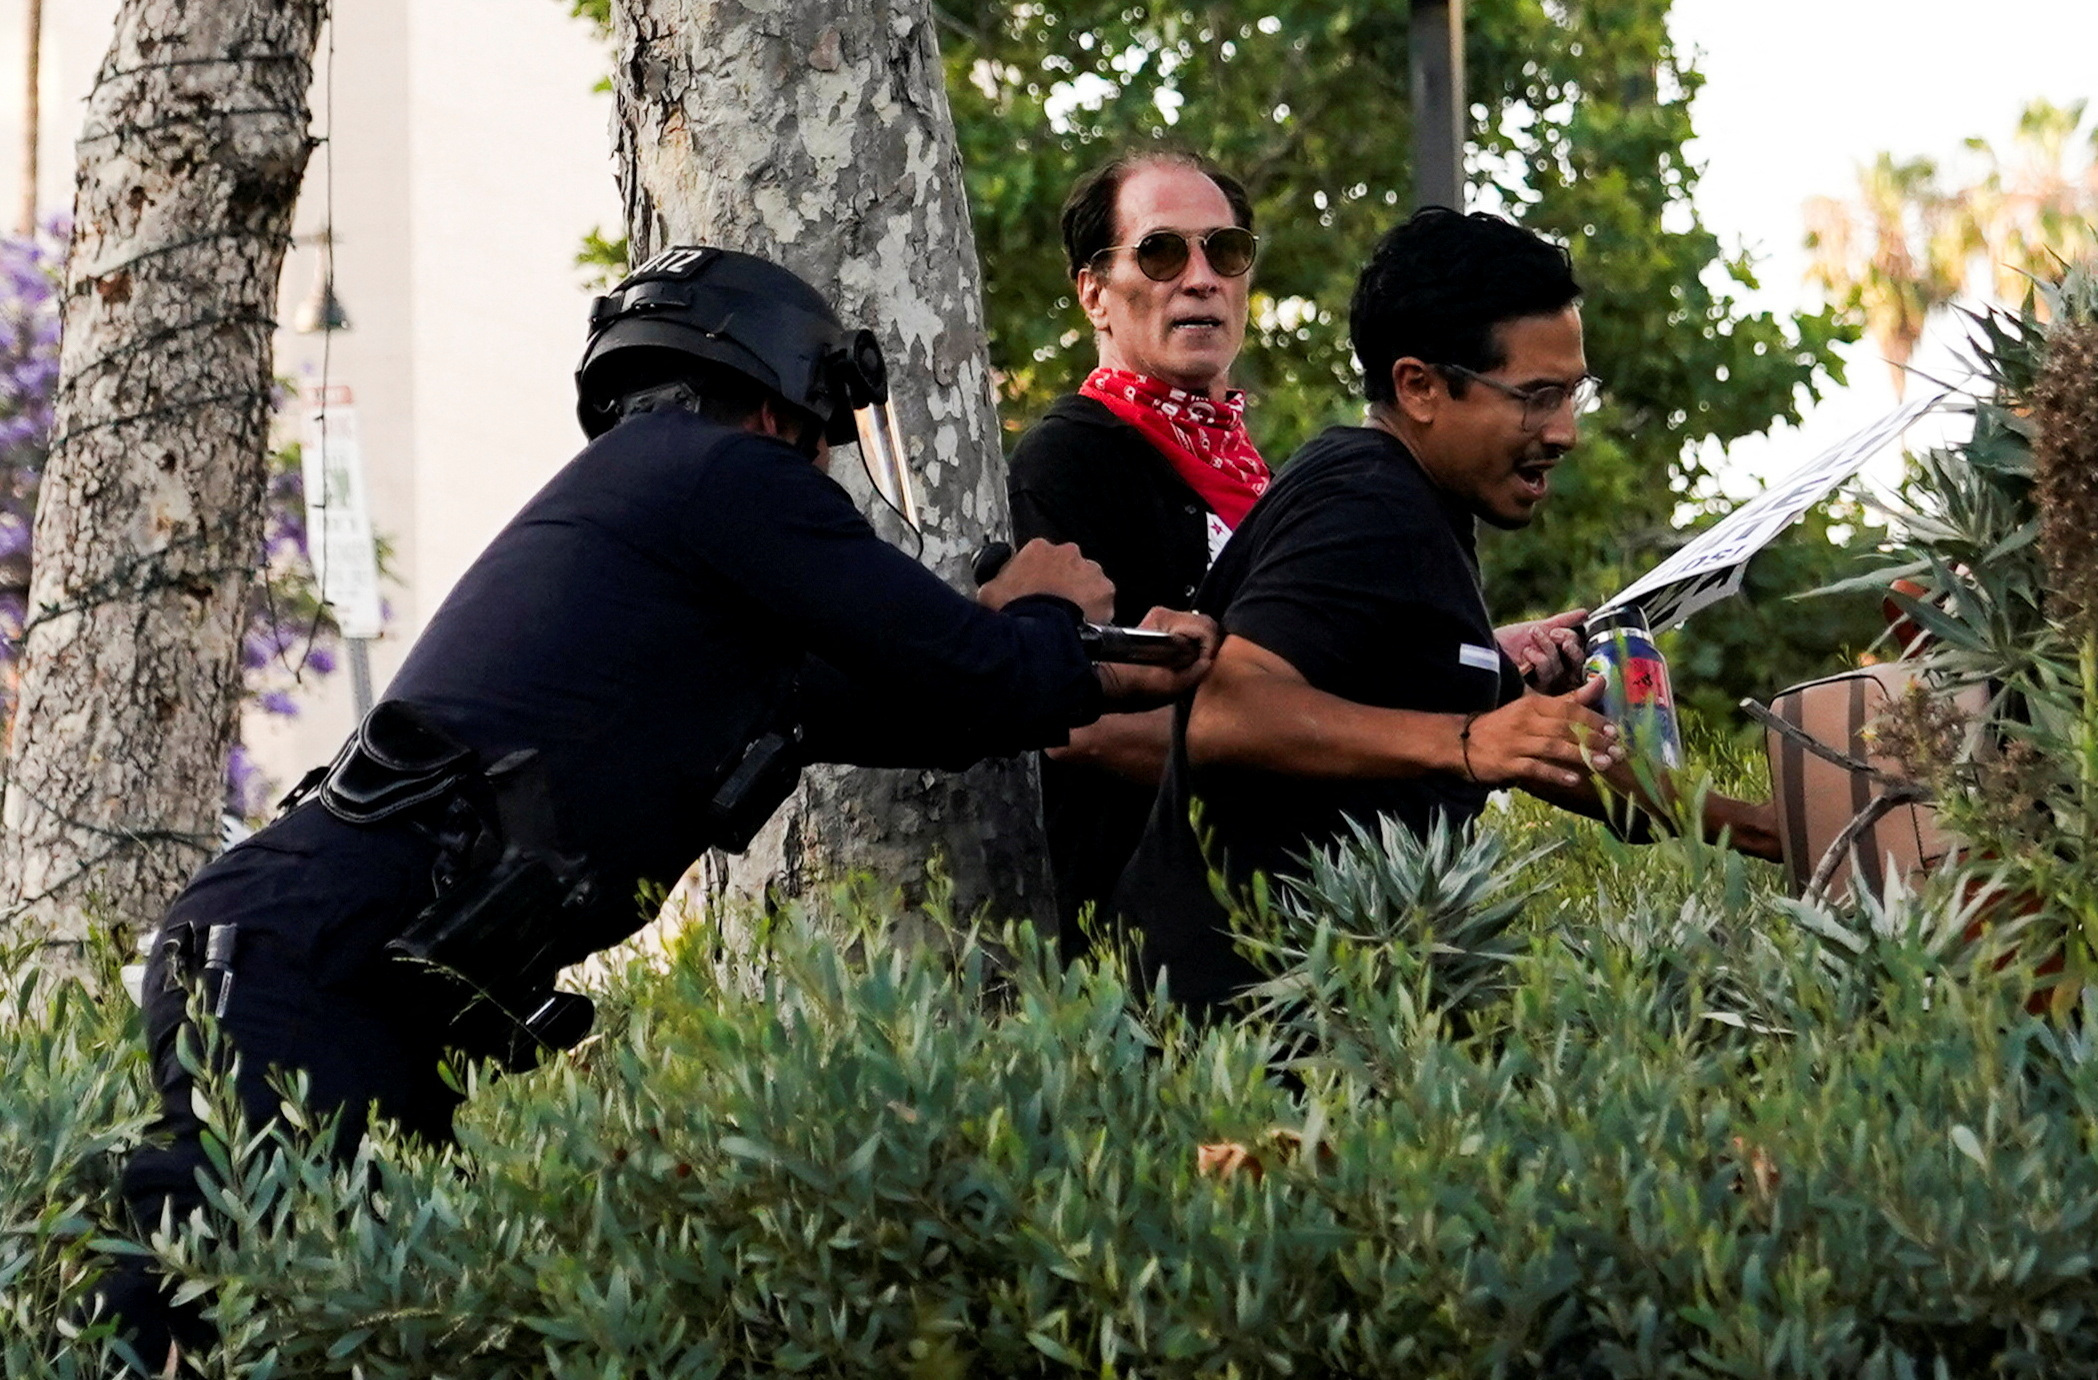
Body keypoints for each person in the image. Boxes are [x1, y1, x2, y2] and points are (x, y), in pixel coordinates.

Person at [103, 246, 1217, 1369]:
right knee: (198, 1312)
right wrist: (1041, 606)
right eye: (824, 430)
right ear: (791, 404)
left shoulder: (673, 537)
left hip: (343, 970)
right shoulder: (723, 477)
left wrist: (1091, 664)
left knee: (335, 1328)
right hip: (318, 966)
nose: (825, 458)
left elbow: (938, 706)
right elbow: (983, 671)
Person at [1111, 207, 1781, 1020]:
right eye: (1536, 398)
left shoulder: (1418, 507)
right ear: (1419, 387)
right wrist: (1469, 741)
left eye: (1573, 395)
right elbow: (1226, 712)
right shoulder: (1367, 501)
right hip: (1249, 1033)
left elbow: (1551, 755)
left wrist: (1763, 830)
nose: (1564, 433)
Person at [1005, 151, 1270, 949]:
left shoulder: (1259, 478)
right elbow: (1066, 720)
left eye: (1224, 251)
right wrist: (1310, 760)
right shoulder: (1070, 460)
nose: (1200, 278)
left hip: (1274, 933)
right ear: (1094, 293)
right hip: (1139, 956)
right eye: (1160, 253)